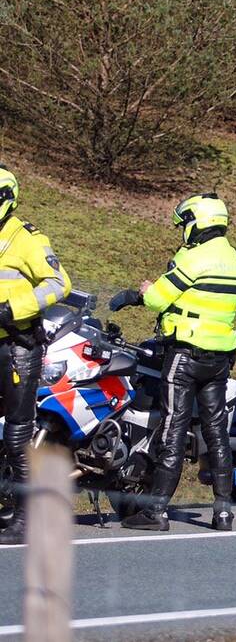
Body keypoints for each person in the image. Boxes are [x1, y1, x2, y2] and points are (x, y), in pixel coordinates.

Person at [110, 193, 236, 532]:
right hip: (219, 360)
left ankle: (155, 512)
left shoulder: (193, 258)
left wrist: (143, 291)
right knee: (216, 435)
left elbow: (158, 298)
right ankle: (224, 512)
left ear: (197, 222)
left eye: (185, 223)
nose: (183, 229)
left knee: (173, 429)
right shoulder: (235, 260)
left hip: (184, 356)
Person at [0, 166, 72, 545]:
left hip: (16, 345)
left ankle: (26, 518)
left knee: (17, 434)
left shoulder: (26, 239)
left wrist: (15, 308)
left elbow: (60, 283)